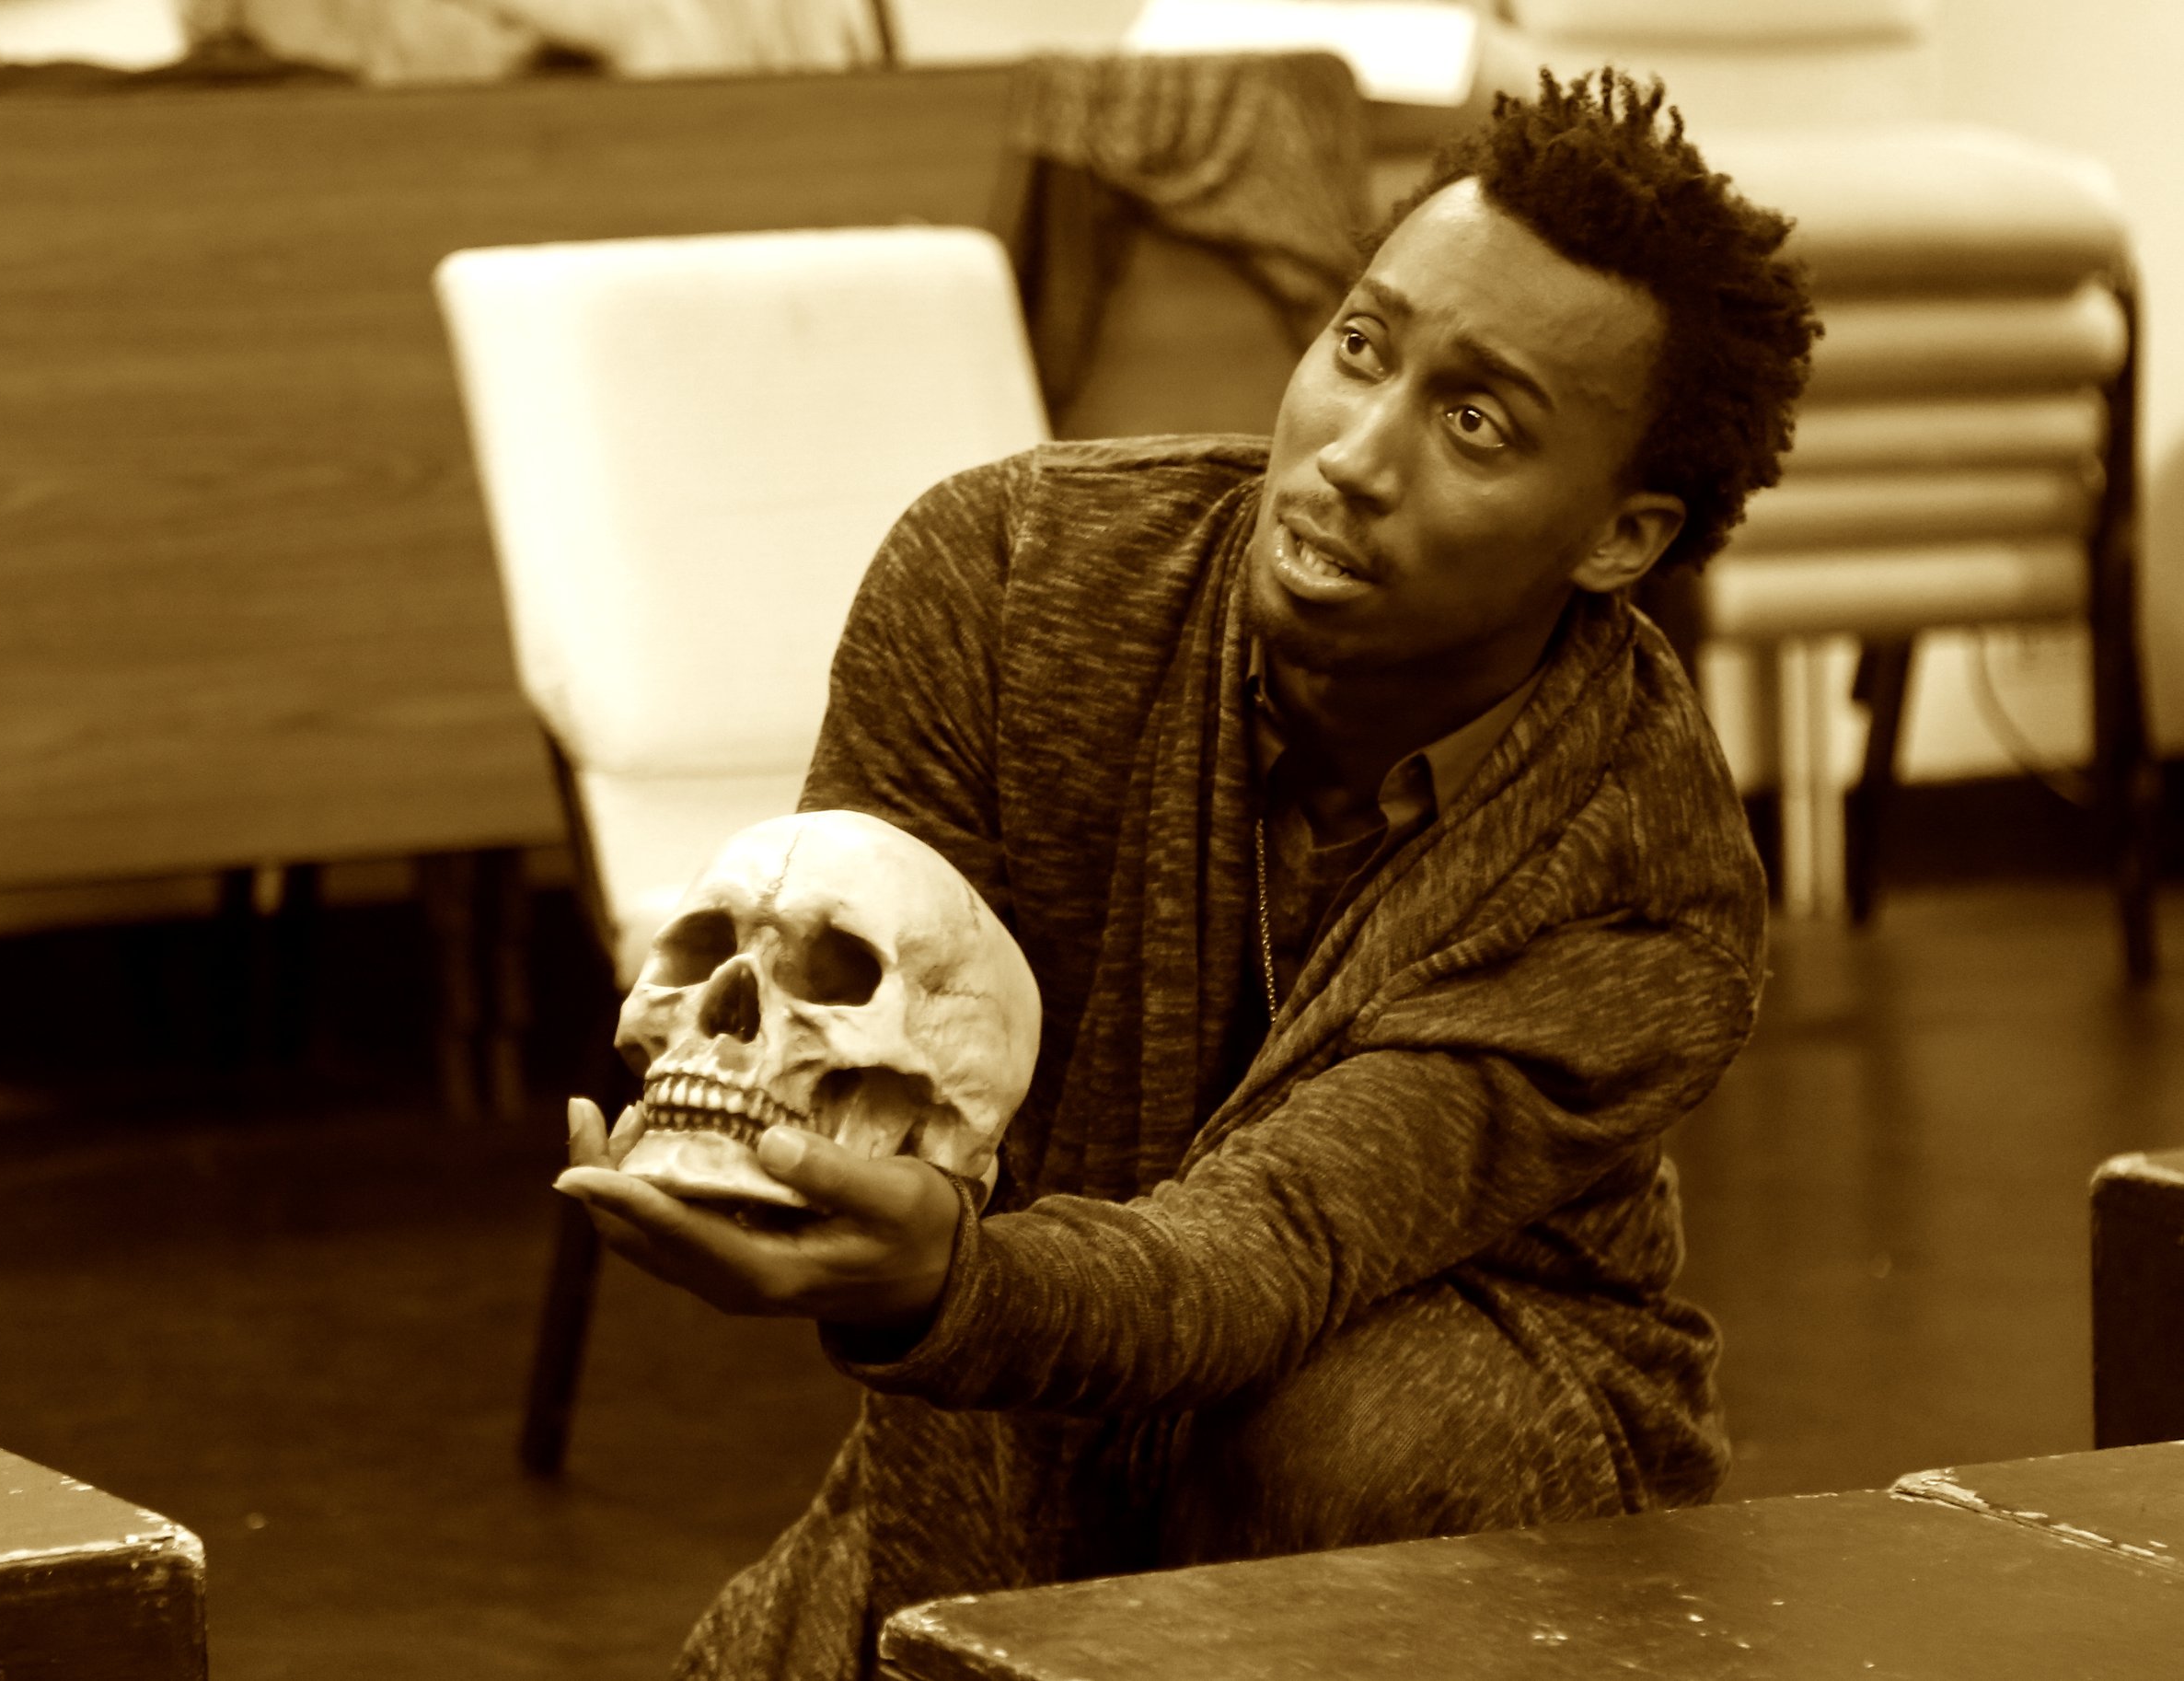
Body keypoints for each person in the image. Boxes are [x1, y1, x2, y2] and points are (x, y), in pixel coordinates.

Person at [555, 66, 1820, 1681]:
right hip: (1028, 1387)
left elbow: (1270, 1247)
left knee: (1360, 1429)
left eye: (1476, 422)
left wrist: (945, 1282)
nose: (1354, 454)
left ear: (1619, 537)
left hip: (1456, 1439)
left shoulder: (1645, 884)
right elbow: (849, 1033)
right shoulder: (1003, 581)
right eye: (1360, 346)